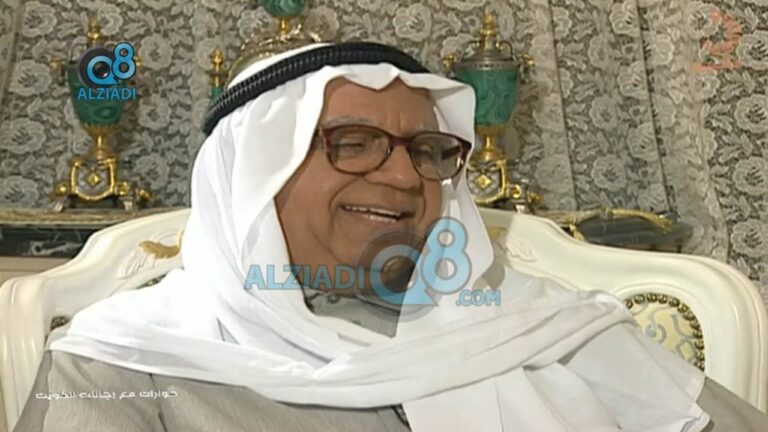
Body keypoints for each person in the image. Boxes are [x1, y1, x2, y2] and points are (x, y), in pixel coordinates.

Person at [12, 42, 768, 432]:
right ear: (253, 178)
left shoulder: (547, 327)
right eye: (353, 143)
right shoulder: (123, 360)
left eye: (428, 152)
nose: (405, 178)